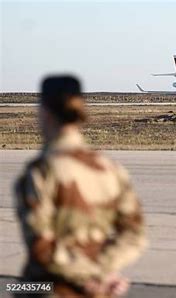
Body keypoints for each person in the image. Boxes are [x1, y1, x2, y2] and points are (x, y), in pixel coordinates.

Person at [14, 75, 147, 297]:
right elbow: (135, 234)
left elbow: (41, 246)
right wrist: (101, 273)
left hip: (47, 288)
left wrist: (84, 278)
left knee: (16, 286)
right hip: (101, 288)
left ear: (45, 113)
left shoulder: (42, 171)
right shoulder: (110, 169)